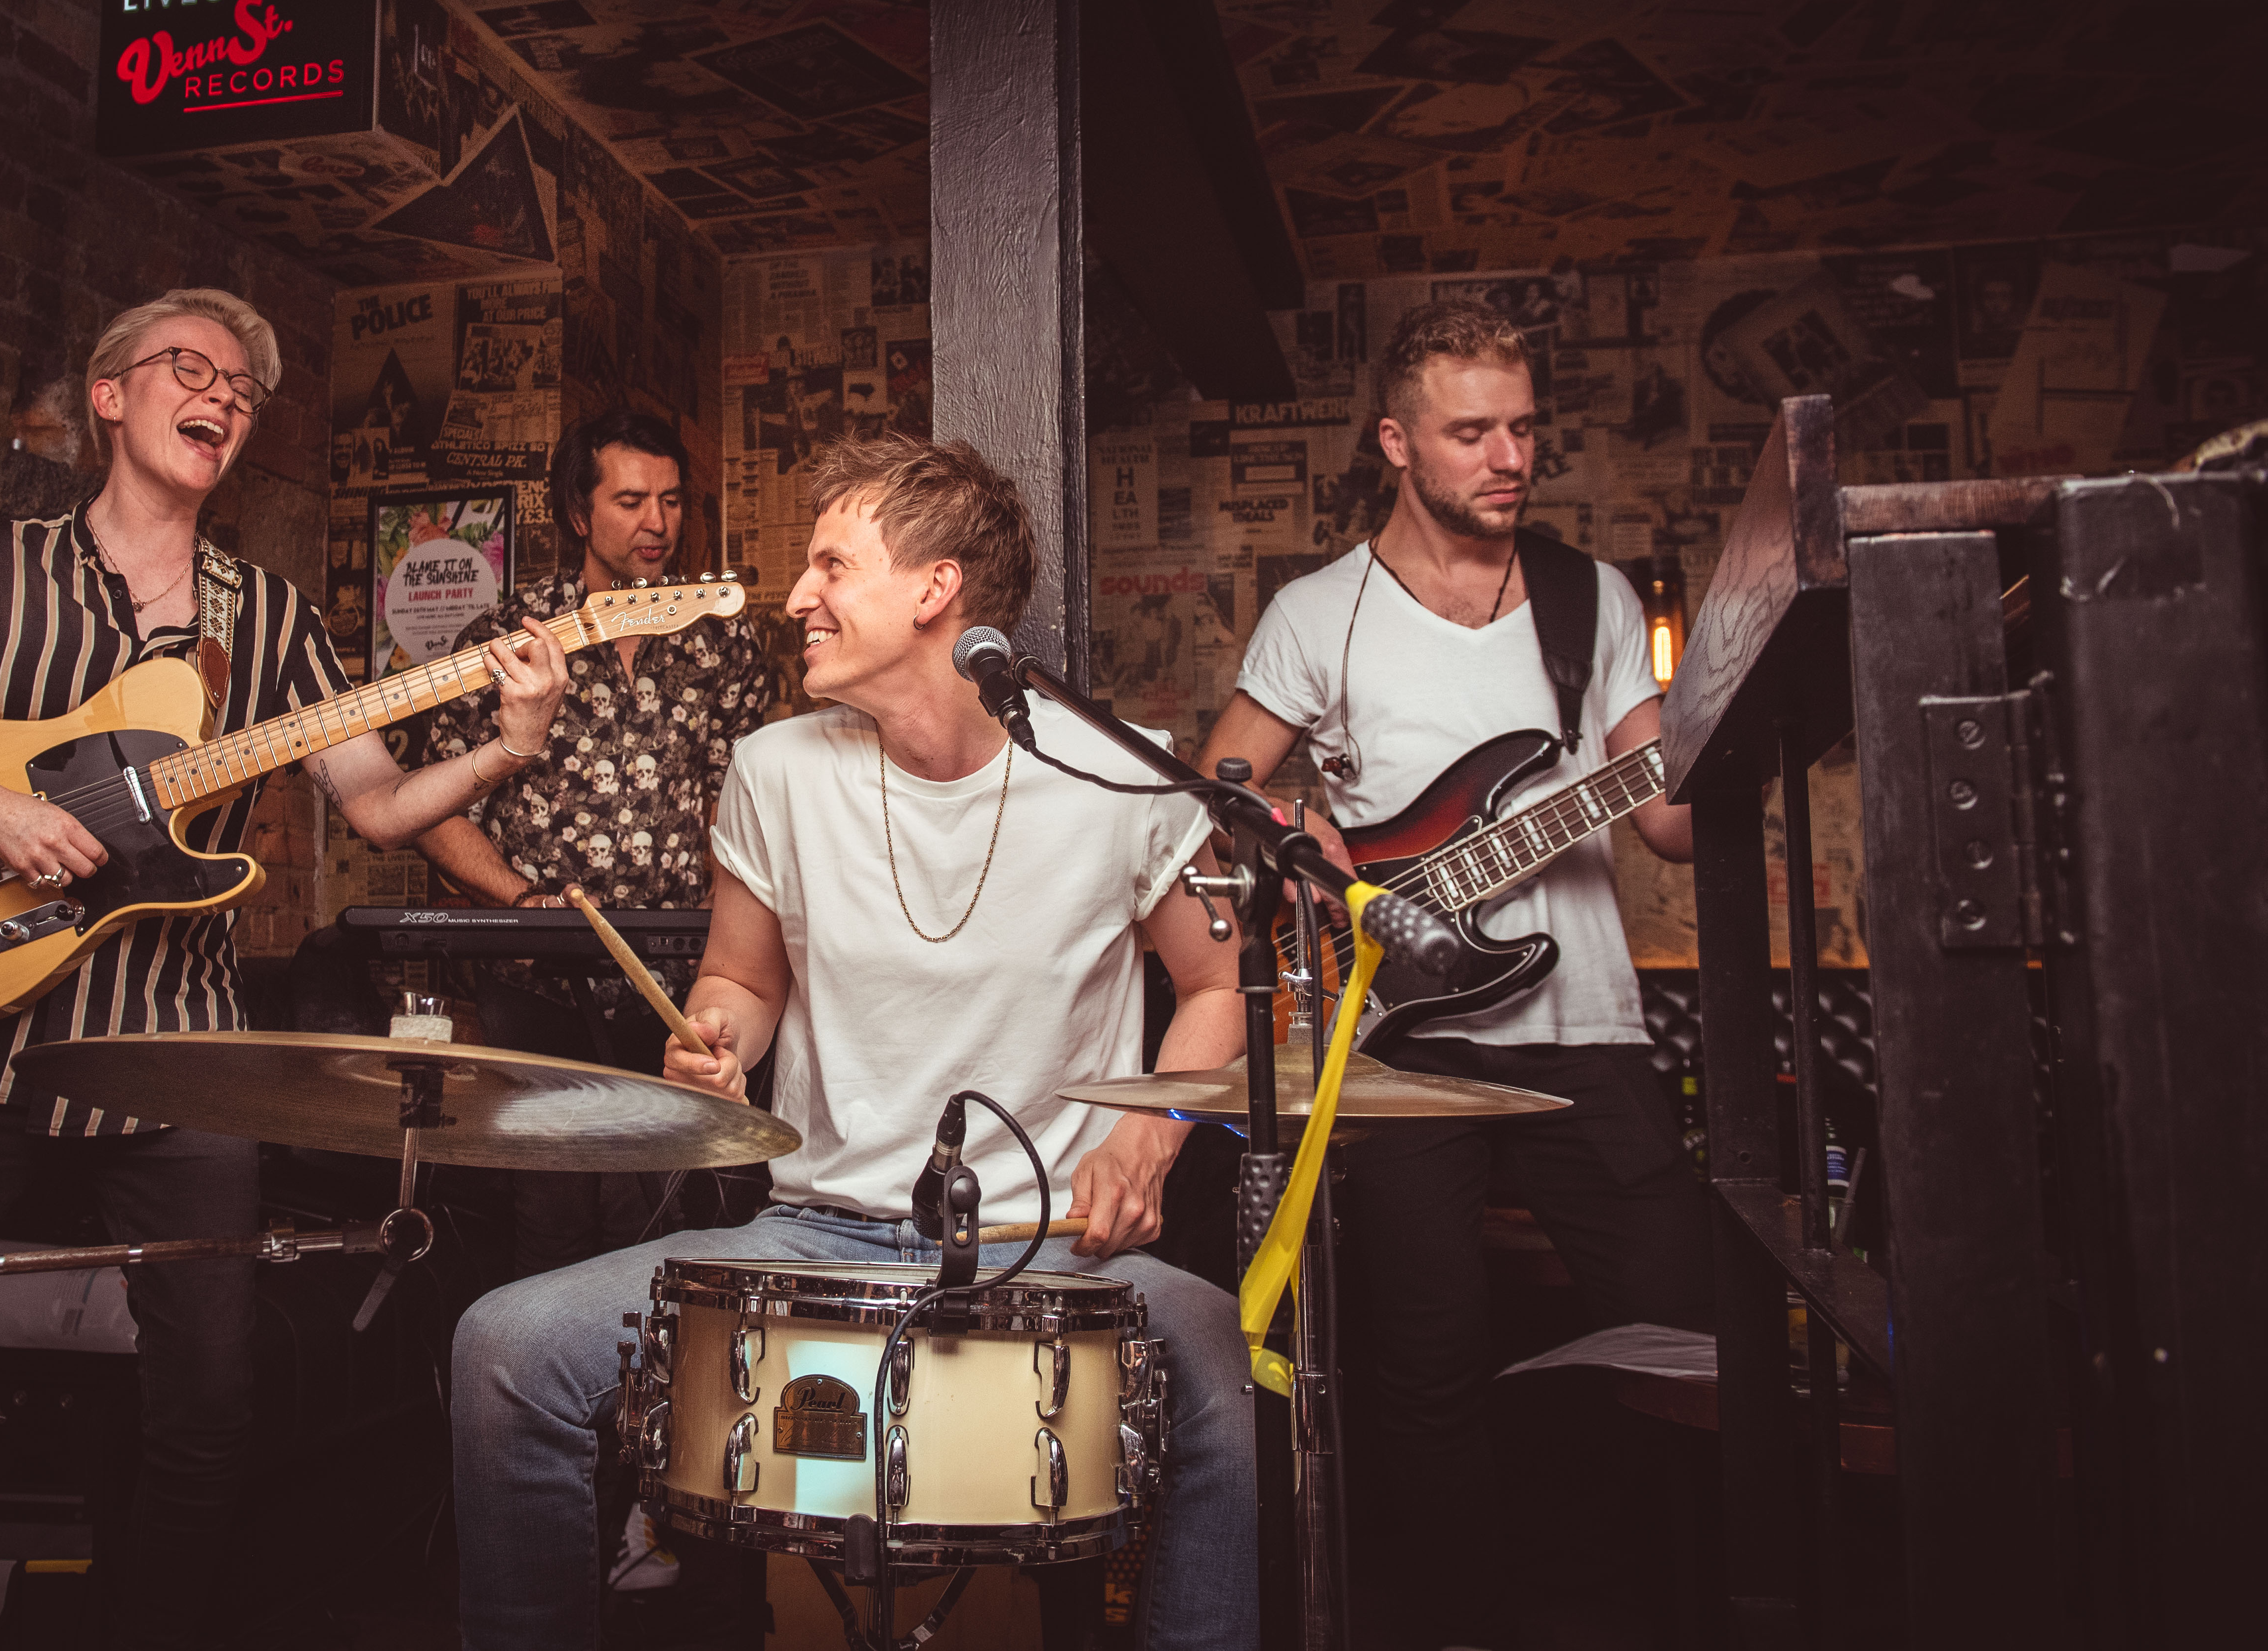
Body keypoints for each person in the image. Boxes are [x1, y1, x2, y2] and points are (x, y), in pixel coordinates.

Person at [0, 288, 571, 1647]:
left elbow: (374, 804)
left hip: (175, 1042)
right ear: (111, 395)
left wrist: (511, 739)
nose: (222, 395)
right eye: (189, 367)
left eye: (243, 388)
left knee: (209, 1405)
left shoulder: (263, 616)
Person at [450, 433, 1258, 1649]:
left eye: (833, 563)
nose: (798, 597)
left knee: (1223, 1373)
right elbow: (738, 976)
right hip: (810, 1230)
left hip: (1043, 1245)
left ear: (936, 589)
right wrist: (716, 1034)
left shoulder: (1121, 780)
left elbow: (1217, 988)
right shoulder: (774, 771)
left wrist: (1149, 1138)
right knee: (506, 1346)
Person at [1198, 297, 1710, 1651]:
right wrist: (1302, 844)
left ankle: (1646, 1606)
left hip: (1586, 1022)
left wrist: (1743, 723)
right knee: (1423, 1361)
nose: (1509, 455)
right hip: (1405, 1037)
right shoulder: (1321, 611)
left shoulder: (1588, 595)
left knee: (1671, 1327)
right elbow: (1224, 788)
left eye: (1524, 426)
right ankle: (1457, 1622)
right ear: (1396, 442)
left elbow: (1665, 812)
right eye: (1473, 431)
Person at [417, 410, 770, 1274]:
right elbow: (427, 804)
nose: (658, 522)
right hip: (539, 976)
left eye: (672, 500)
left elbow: (745, 810)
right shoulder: (505, 639)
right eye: (632, 500)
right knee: (553, 1213)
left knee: (672, 1213)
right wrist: (517, 900)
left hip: (679, 979)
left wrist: (731, 943)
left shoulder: (724, 639)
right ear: (579, 514)